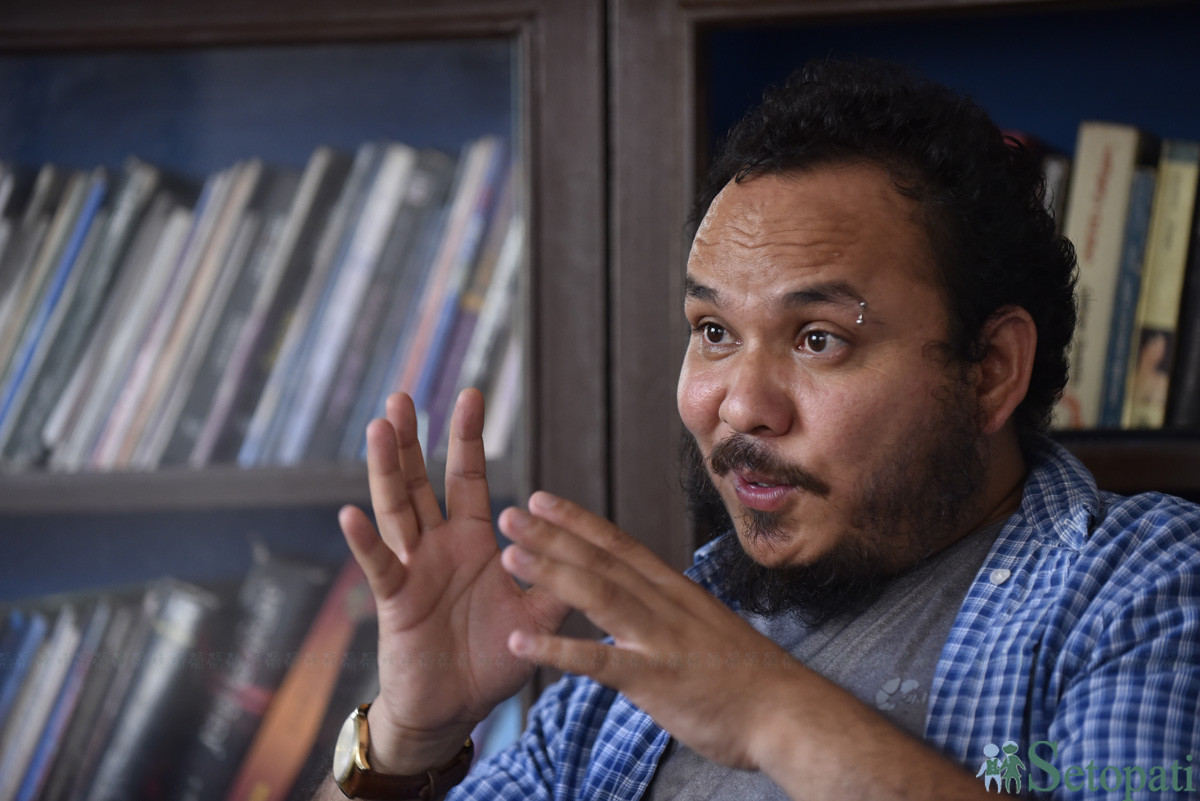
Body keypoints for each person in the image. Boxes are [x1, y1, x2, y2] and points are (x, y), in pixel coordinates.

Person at [314, 58, 1200, 800]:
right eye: (713, 332)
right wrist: (405, 741)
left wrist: (771, 713)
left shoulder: (1143, 588)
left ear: (991, 368)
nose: (739, 406)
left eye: (818, 339)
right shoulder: (643, 661)